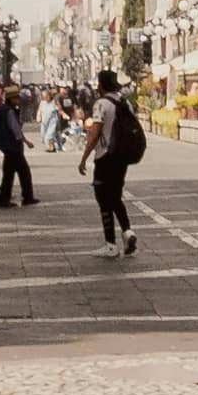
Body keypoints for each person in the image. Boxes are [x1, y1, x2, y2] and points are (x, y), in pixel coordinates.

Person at [77, 68, 144, 257]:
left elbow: (95, 131)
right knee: (115, 195)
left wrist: (84, 157)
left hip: (105, 156)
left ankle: (110, 244)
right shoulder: (125, 103)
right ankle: (127, 232)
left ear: (101, 85)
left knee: (103, 197)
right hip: (122, 156)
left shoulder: (101, 104)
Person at [0, 86, 39, 208]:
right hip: (14, 147)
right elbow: (15, 129)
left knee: (8, 174)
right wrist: (26, 141)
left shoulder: (1, 110)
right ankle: (27, 197)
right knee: (24, 173)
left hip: (7, 146)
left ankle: (4, 198)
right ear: (11, 99)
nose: (19, 100)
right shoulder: (9, 111)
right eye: (17, 98)